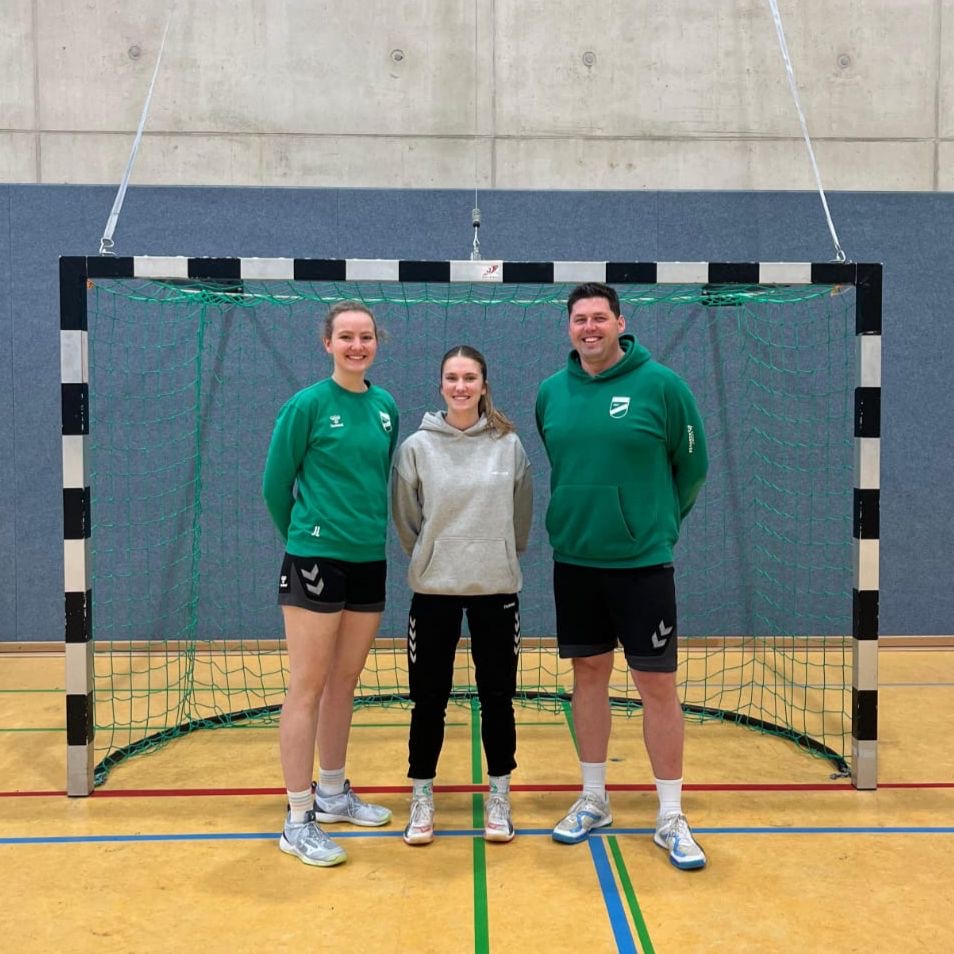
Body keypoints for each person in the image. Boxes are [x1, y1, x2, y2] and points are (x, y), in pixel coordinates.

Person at [534, 282, 709, 870]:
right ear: (569, 327)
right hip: (576, 562)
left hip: (642, 566)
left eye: (600, 318)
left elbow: (692, 467)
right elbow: (565, 464)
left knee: (656, 687)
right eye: (580, 319)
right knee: (588, 678)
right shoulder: (551, 393)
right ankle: (593, 798)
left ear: (619, 322)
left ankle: (669, 814)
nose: (590, 328)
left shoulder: (662, 385)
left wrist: (654, 525)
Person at [262, 299, 400, 867]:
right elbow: (277, 485)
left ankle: (335, 792)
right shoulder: (307, 406)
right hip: (316, 559)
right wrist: (305, 538)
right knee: (309, 685)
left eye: (365, 336)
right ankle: (298, 818)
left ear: (376, 343)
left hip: (369, 558)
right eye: (345, 337)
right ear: (328, 344)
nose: (356, 346)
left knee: (345, 681)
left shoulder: (386, 406)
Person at [391, 345, 533, 846]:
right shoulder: (416, 447)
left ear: (484, 384)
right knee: (428, 700)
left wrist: (496, 554)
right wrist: (433, 556)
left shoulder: (509, 445)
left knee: (499, 698)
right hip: (435, 591)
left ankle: (499, 794)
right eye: (451, 377)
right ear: (440, 385)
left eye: (469, 377)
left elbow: (520, 518)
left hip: (496, 588)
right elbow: (408, 522)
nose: (460, 386)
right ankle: (422, 797)